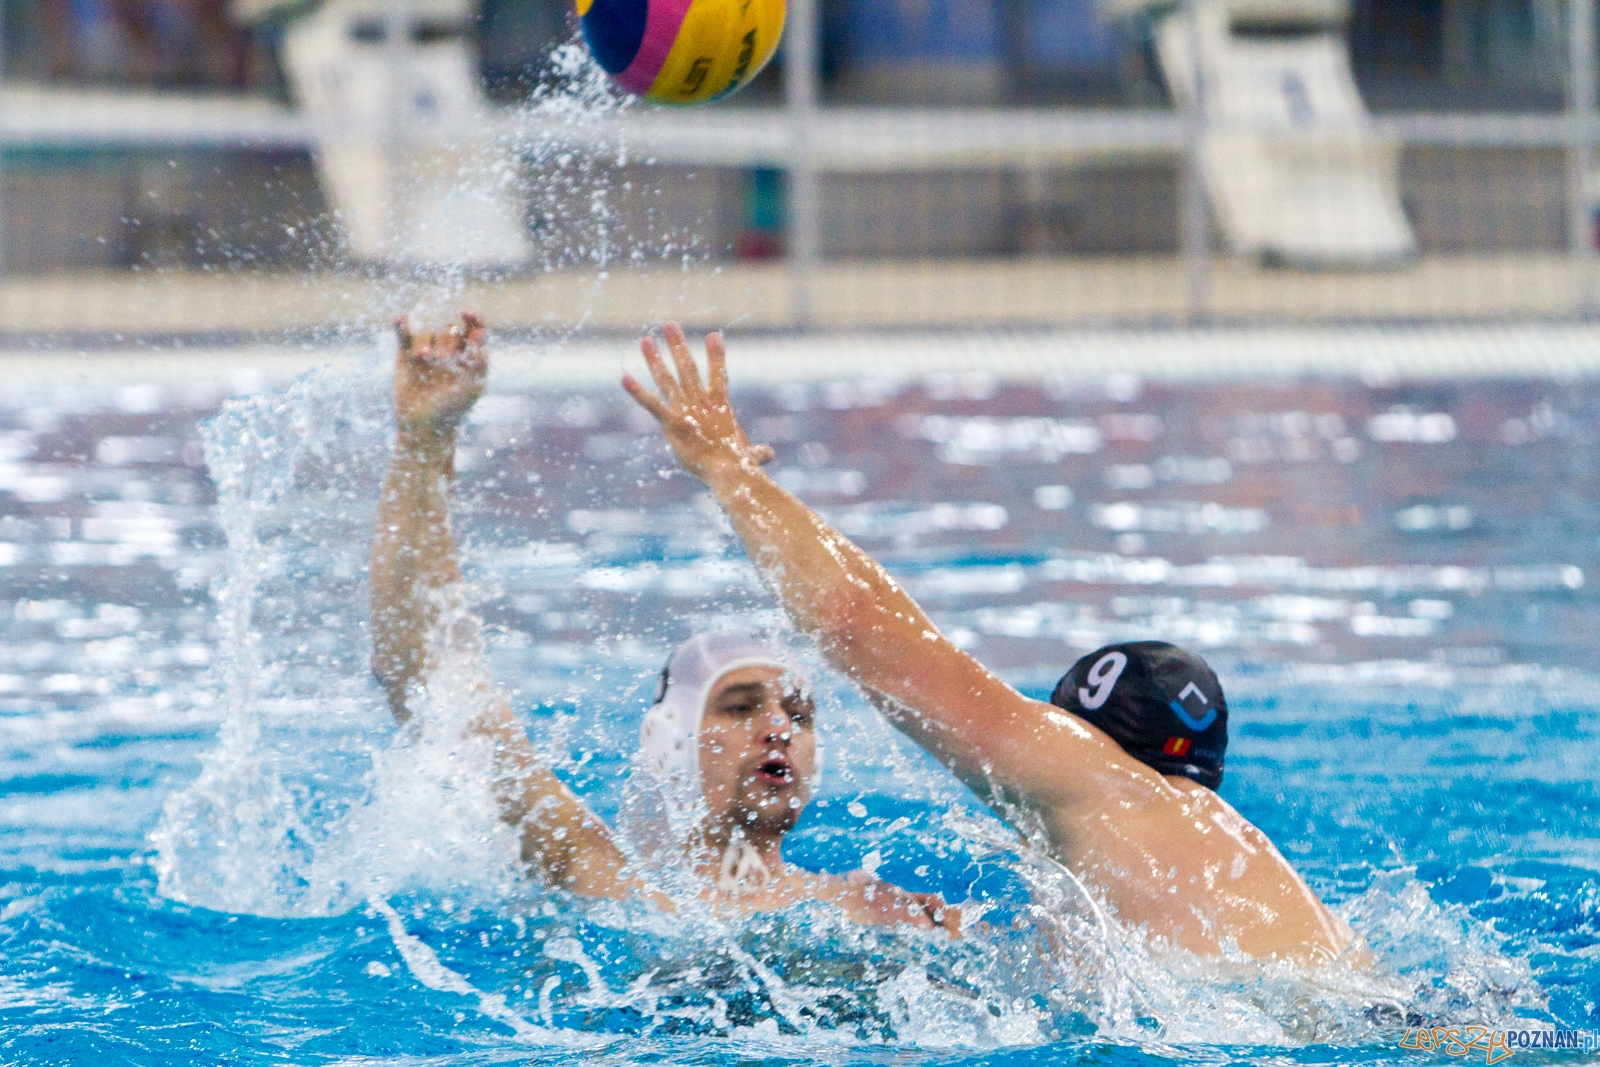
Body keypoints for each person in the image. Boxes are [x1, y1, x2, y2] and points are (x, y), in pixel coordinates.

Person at [623, 322, 1355, 965]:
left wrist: (729, 473)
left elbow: (862, 625)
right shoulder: (1257, 875)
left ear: (1077, 731)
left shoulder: (1088, 777)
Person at [367, 311, 958, 935]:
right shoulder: (600, 877)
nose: (779, 727)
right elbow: (431, 682)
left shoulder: (879, 910)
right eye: (738, 707)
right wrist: (421, 445)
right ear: (669, 740)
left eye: (799, 713)